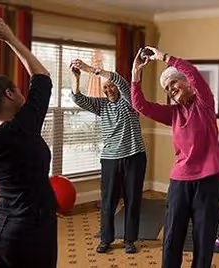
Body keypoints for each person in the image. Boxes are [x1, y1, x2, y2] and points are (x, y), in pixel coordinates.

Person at [130, 46, 219, 268]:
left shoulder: (205, 104)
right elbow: (140, 105)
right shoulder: (173, 114)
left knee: (203, 239)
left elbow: (192, 71)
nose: (170, 89)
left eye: (173, 83)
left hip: (208, 181)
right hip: (180, 181)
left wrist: (164, 57)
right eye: (167, 88)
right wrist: (136, 74)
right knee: (172, 236)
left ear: (187, 83)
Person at [0, 15, 57, 268]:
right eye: (18, 91)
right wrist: (10, 38)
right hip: (29, 235)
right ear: (10, 94)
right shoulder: (23, 128)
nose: (24, 94)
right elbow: (42, 76)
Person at [69, 59, 147, 254]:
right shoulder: (101, 106)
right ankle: (106, 239)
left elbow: (119, 80)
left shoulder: (129, 102)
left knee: (132, 199)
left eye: (111, 85)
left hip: (134, 156)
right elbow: (78, 98)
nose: (109, 89)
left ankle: (129, 240)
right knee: (108, 201)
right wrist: (76, 77)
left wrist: (89, 69)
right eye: (106, 87)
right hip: (110, 158)